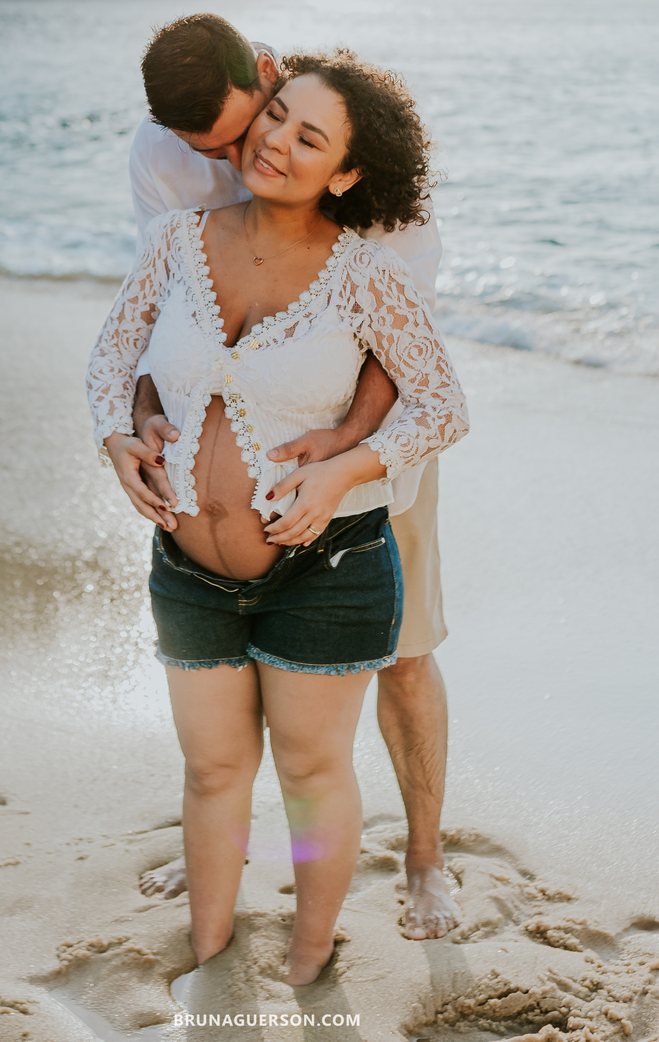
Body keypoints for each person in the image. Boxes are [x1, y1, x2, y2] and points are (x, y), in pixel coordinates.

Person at [88, 51, 469, 983]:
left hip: (328, 555)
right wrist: (121, 433)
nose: (272, 143)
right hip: (189, 573)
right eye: (273, 122)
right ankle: (210, 957)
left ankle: (323, 947)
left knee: (318, 765)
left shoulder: (374, 262)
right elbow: (113, 358)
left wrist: (346, 464)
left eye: (309, 137)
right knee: (214, 773)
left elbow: (440, 403)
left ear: (345, 170)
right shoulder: (178, 232)